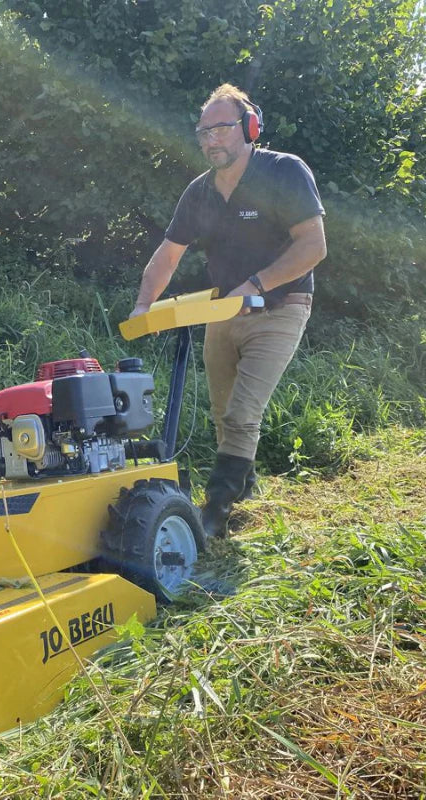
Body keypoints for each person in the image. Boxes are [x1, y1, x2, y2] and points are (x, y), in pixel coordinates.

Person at [130, 83, 327, 538]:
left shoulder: (284, 172)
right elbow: (168, 253)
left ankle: (214, 511)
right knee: (224, 416)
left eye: (221, 128)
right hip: (224, 314)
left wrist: (255, 285)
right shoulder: (199, 193)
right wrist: (145, 305)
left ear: (250, 127)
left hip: (281, 307)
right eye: (203, 132)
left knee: (242, 415)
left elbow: (314, 245)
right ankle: (247, 487)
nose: (210, 139)